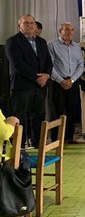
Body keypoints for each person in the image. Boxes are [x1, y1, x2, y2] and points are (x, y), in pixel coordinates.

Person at [5, 14, 52, 148]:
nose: (30, 25)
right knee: (19, 117)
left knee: (39, 115)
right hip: (22, 86)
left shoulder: (41, 41)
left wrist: (47, 75)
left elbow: (49, 61)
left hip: (41, 86)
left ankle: (38, 143)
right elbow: (18, 64)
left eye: (32, 23)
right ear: (19, 26)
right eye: (26, 23)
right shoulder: (12, 41)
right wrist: (37, 78)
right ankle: (18, 147)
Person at [47, 22, 85, 144]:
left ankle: (69, 136)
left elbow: (81, 65)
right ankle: (55, 138)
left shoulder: (76, 46)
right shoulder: (52, 45)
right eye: (67, 29)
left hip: (72, 82)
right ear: (60, 31)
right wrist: (61, 81)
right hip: (57, 83)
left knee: (71, 110)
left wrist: (72, 80)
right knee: (55, 111)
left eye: (72, 30)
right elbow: (50, 66)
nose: (70, 32)